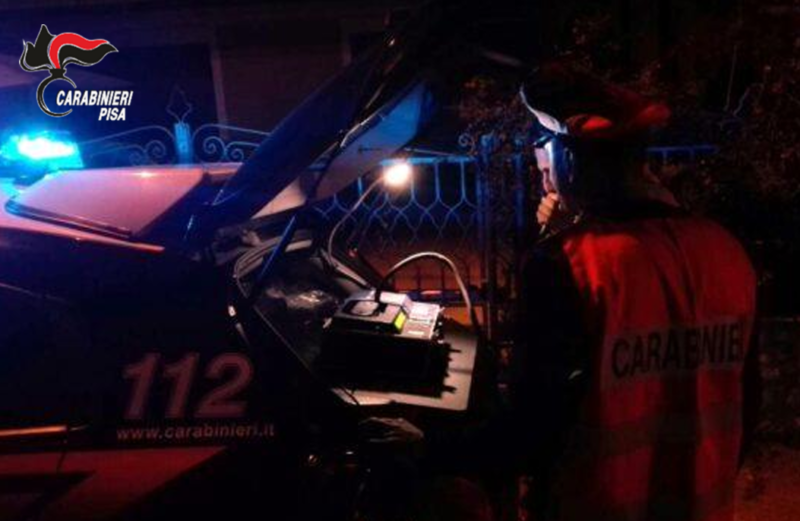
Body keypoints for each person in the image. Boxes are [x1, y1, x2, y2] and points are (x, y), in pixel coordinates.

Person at [363, 65, 758, 521]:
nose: (546, 182)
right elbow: (746, 407)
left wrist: (427, 447)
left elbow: (530, 430)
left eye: (547, 162)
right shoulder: (726, 251)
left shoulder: (567, 264)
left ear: (569, 158)